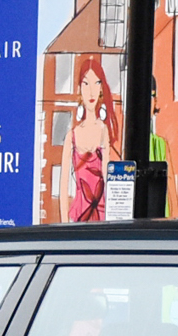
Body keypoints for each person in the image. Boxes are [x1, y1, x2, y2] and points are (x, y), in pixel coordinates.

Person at [67, 61, 121, 224]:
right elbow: (63, 188)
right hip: (79, 213)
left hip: (102, 213)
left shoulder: (104, 131)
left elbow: (107, 174)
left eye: (97, 83)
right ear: (79, 89)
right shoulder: (72, 136)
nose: (91, 91)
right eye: (86, 83)